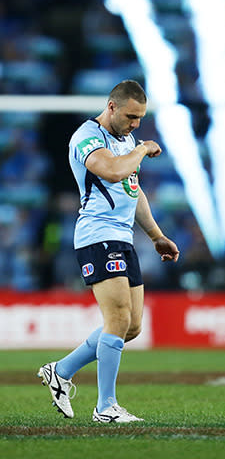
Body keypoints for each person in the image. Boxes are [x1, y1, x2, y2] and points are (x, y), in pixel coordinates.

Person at [38, 80, 179, 423]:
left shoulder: (126, 140)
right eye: (131, 116)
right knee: (116, 320)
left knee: (132, 327)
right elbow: (114, 172)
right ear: (112, 107)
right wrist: (143, 149)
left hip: (123, 238)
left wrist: (156, 235)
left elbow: (133, 189)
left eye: (141, 118)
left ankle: (62, 370)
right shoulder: (87, 137)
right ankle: (106, 407)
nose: (135, 124)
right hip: (97, 236)